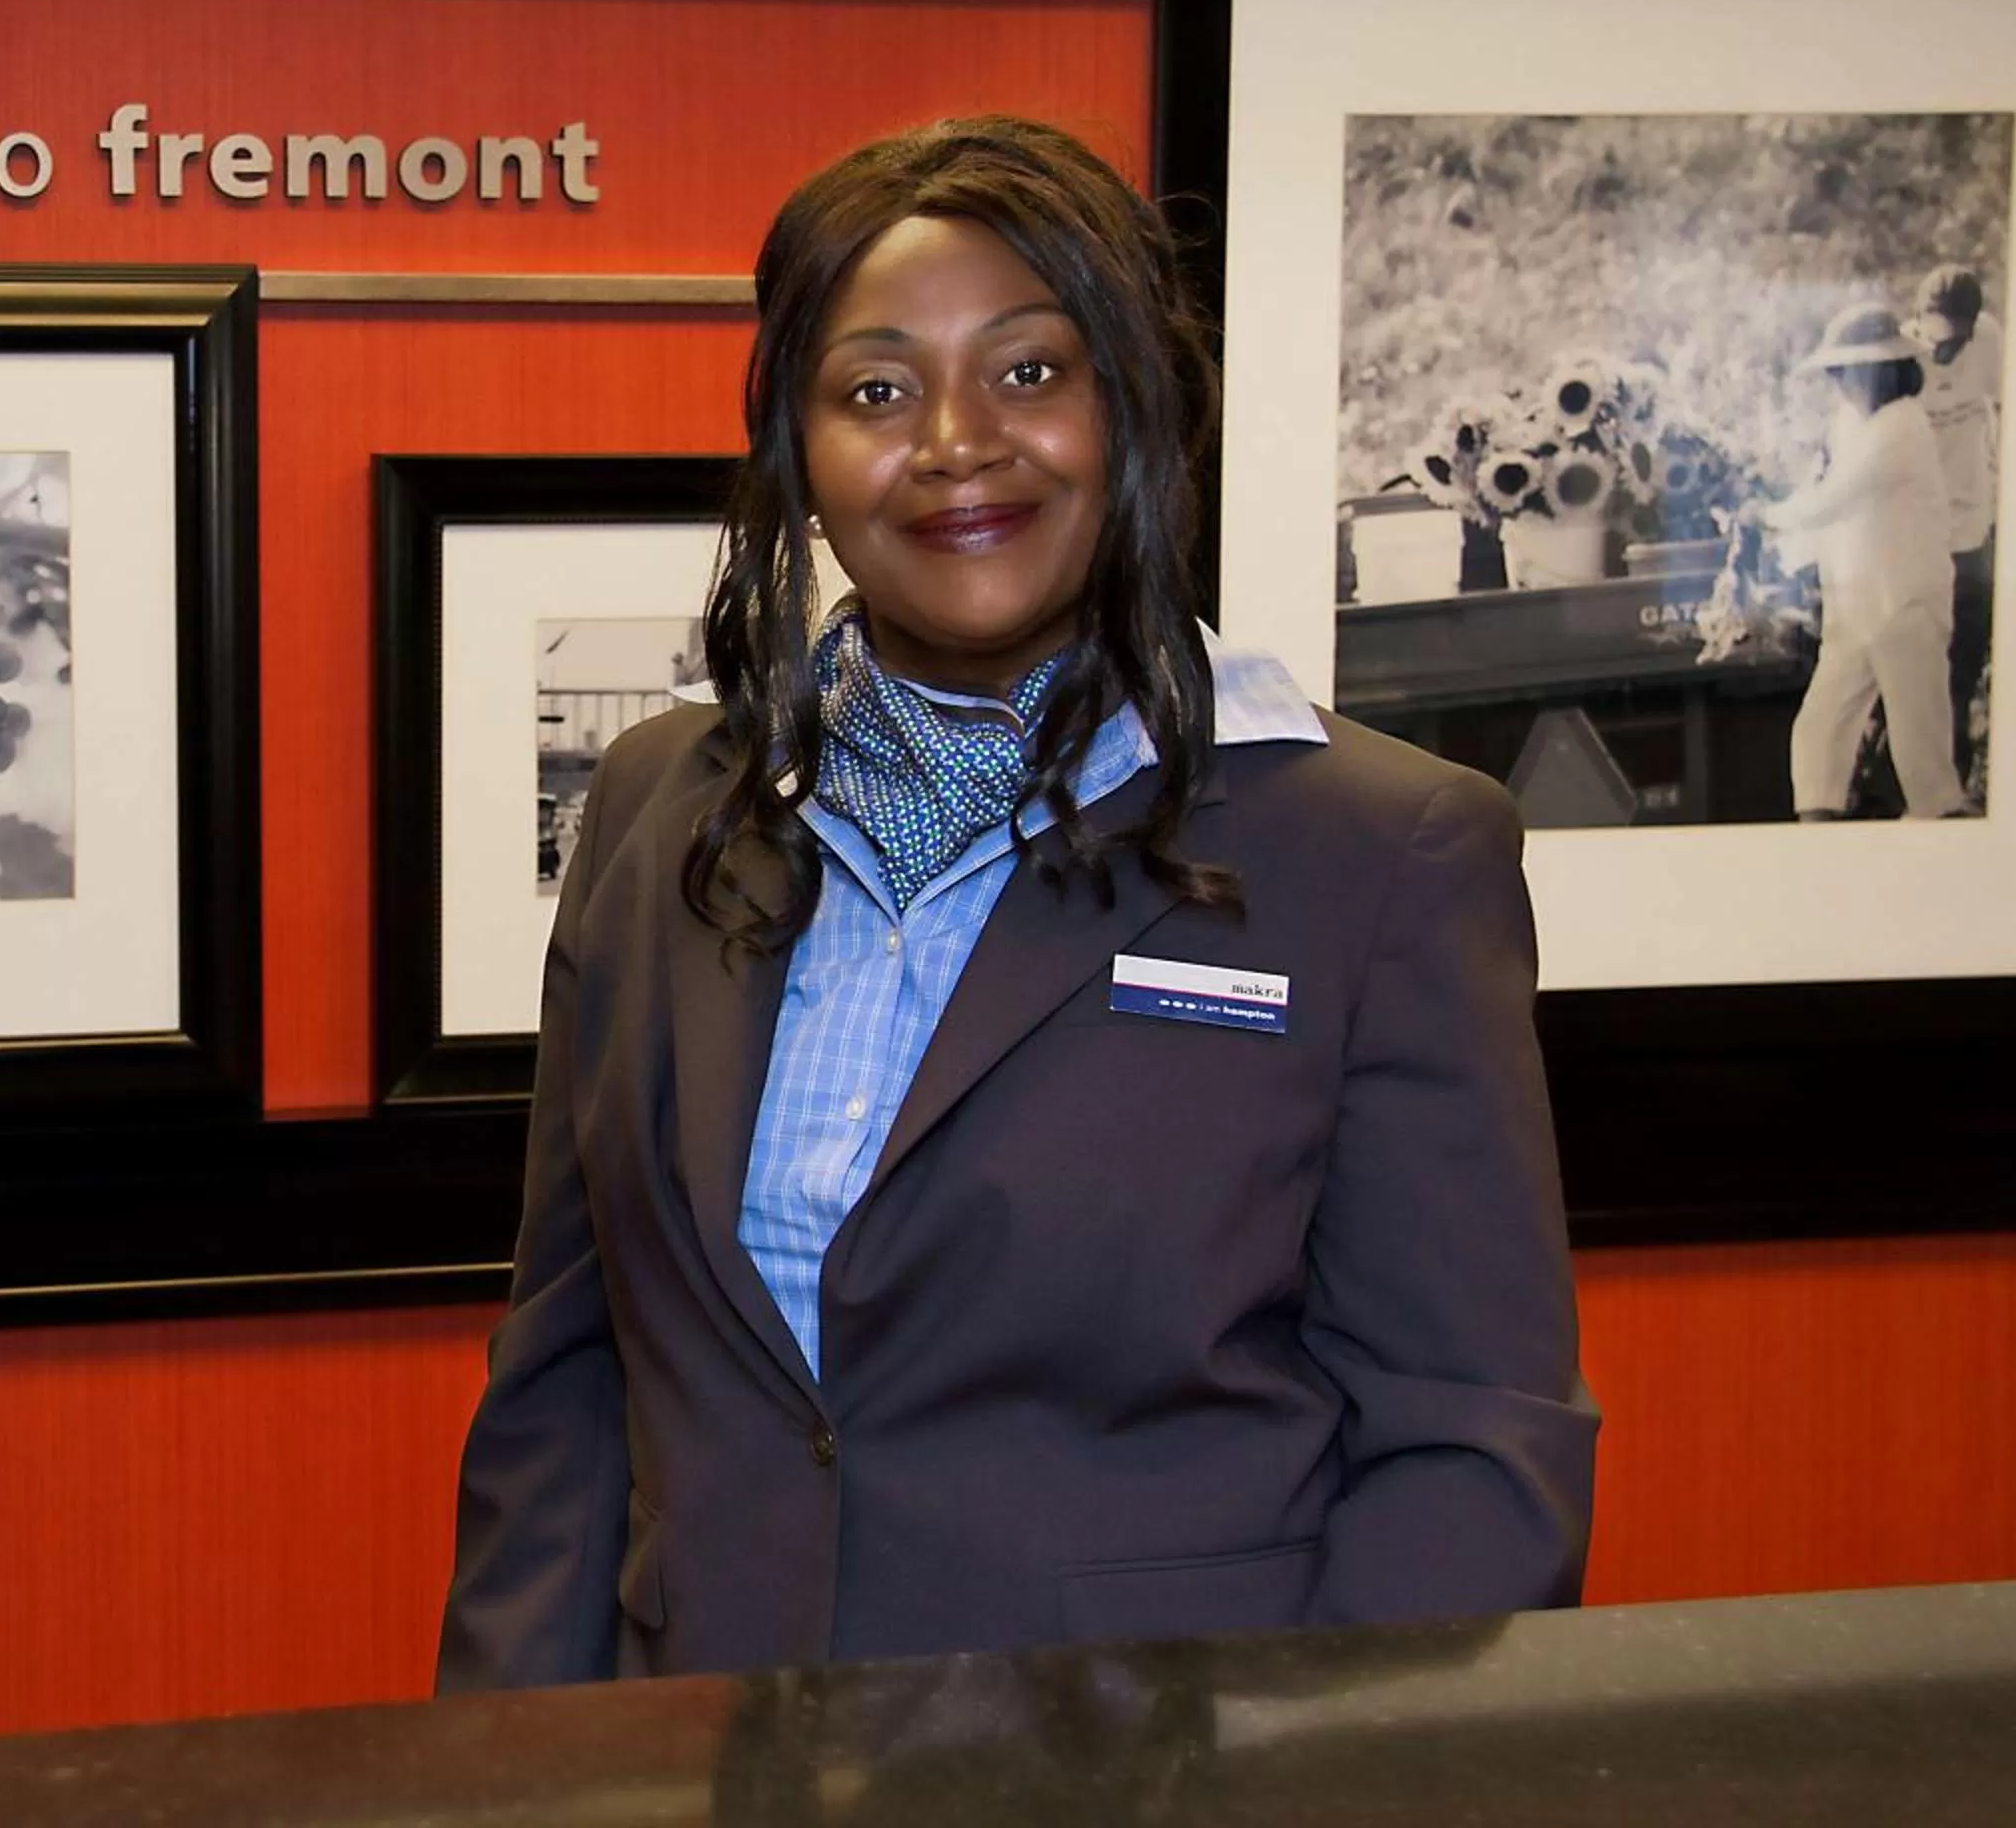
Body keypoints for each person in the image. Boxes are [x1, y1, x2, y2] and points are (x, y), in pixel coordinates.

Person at [436, 116, 1598, 1690]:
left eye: (1032, 371)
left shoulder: (1380, 855)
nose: (957, 442)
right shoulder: (661, 809)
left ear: (1139, 407)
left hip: (1165, 1788)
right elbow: (565, 1382)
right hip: (705, 1757)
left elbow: (1469, 1447)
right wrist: (510, 1775)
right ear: (798, 451)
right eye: (875, 389)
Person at [1767, 303, 1968, 820]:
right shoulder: (1852, 424)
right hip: (1857, 606)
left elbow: (1836, 497)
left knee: (1918, 734)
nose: (1838, 382)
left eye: (1846, 370)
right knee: (1820, 726)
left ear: (1877, 369)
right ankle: (1818, 817)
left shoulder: (1902, 427)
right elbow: (1828, 507)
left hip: (1904, 602)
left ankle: (1942, 820)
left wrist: (1767, 515)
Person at [1910, 265, 2003, 779]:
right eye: (1938, 344)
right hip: (1924, 536)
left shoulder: (1988, 340)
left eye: (1955, 344)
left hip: (1974, 528)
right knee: (1924, 666)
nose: (1945, 355)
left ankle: (1956, 773)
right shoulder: (1902, 357)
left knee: (1964, 667)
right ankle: (1919, 775)